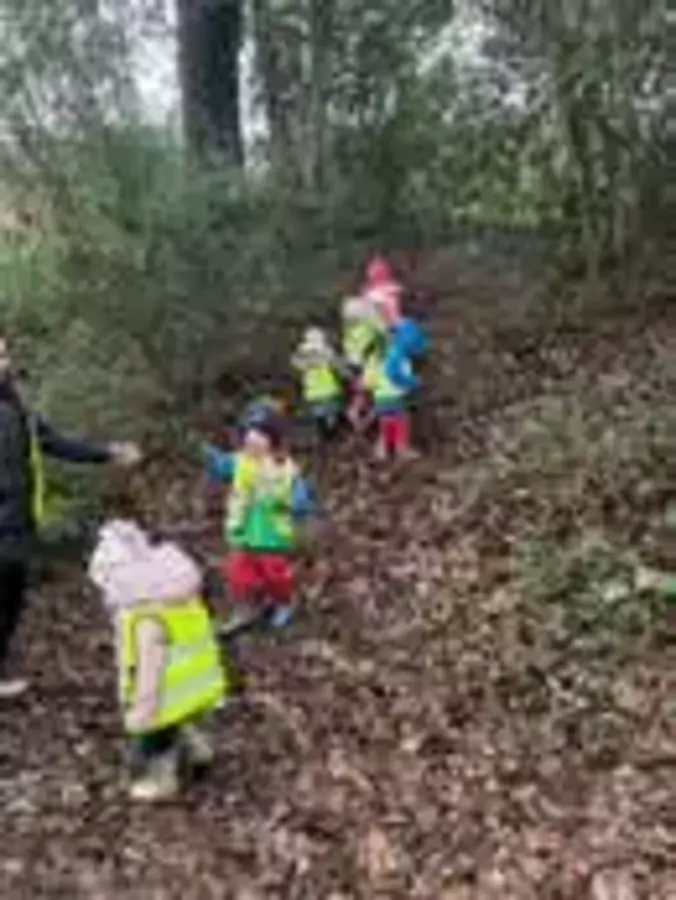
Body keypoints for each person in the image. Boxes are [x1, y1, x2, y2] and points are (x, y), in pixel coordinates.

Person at [0, 334, 141, 699]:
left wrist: (106, 453)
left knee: (12, 599)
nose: (4, 363)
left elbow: (55, 443)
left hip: (18, 523)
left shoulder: (17, 409)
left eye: (4, 355)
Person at [88, 478, 227, 803]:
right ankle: (198, 750)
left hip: (166, 690)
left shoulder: (144, 621)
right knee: (178, 715)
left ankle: (161, 780)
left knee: (153, 734)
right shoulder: (177, 596)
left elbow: (148, 676)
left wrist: (140, 713)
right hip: (197, 683)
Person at [203, 407, 318, 632]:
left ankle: (284, 600)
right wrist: (214, 460)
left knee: (275, 574)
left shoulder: (284, 467)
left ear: (273, 440)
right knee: (238, 572)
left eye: (261, 434)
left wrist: (299, 502)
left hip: (272, 533)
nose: (253, 438)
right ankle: (250, 602)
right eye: (249, 432)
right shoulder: (240, 461)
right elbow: (224, 467)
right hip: (243, 530)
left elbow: (298, 490)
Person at [362, 313, 428, 461]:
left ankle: (382, 450)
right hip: (394, 394)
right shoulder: (396, 354)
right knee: (401, 422)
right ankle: (401, 449)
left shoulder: (374, 356)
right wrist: (412, 382)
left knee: (386, 422)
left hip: (380, 396)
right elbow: (395, 374)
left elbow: (367, 380)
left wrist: (373, 388)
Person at [291, 327, 344, 442]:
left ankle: (324, 437)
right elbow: (339, 368)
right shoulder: (326, 354)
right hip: (329, 392)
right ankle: (331, 436)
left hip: (313, 394)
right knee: (331, 418)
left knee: (321, 421)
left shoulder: (302, 358)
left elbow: (296, 366)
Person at [340, 295, 384, 430]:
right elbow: (382, 332)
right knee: (380, 399)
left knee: (361, 397)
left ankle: (357, 418)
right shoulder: (369, 328)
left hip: (356, 370)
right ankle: (365, 421)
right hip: (371, 369)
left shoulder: (348, 332)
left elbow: (349, 352)